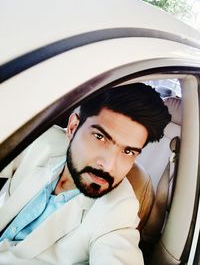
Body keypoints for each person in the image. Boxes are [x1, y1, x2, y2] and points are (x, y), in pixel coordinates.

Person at [0, 83, 171, 265]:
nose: (108, 165)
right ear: (73, 128)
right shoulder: (40, 143)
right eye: (100, 137)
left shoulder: (119, 211)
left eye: (128, 152)